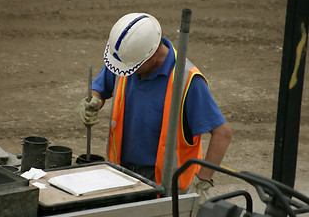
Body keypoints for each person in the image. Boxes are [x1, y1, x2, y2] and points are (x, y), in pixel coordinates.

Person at [79, 13, 232, 206]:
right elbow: (99, 89)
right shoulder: (127, 61)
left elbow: (222, 134)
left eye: (134, 66)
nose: (129, 72)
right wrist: (93, 101)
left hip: (166, 187)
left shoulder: (188, 81)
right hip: (121, 174)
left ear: (152, 54)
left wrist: (203, 180)